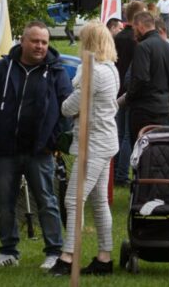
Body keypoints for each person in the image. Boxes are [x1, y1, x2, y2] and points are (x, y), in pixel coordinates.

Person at [0, 21, 72, 269]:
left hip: (40, 151)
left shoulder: (56, 71)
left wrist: (54, 142)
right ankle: (8, 251)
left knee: (47, 200)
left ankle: (54, 251)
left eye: (44, 42)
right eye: (35, 41)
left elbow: (67, 108)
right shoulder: (3, 68)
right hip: (5, 149)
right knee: (5, 202)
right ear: (22, 41)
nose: (40, 46)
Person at [48, 22, 120, 276]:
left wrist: (75, 88)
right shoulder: (110, 68)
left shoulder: (94, 72)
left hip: (94, 144)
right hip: (104, 140)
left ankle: (68, 257)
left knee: (73, 199)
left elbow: (68, 108)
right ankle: (104, 257)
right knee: (99, 201)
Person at [125, 12, 169, 139]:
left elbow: (141, 79)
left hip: (143, 111)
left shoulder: (143, 47)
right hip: (163, 109)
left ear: (140, 26)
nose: (134, 32)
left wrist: (129, 97)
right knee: (157, 151)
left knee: (140, 151)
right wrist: (163, 91)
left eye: (134, 28)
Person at [113, 0, 144, 188]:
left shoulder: (117, 37)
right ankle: (122, 173)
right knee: (127, 135)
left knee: (118, 133)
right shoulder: (136, 39)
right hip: (130, 89)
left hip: (117, 87)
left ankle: (116, 168)